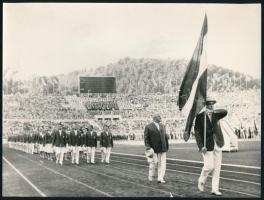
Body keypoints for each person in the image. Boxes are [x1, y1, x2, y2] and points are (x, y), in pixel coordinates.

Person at [194, 97, 227, 196]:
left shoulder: (216, 115)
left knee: (217, 169)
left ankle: (215, 189)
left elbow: (225, 111)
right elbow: (197, 133)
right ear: (206, 105)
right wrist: (200, 146)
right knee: (209, 166)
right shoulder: (200, 117)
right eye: (209, 104)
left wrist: (213, 112)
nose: (211, 106)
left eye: (213, 104)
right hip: (206, 145)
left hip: (218, 143)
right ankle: (201, 179)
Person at [144, 114, 169, 183]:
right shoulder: (148, 126)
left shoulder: (163, 126)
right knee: (153, 163)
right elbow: (146, 138)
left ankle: (160, 178)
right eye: (159, 117)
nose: (160, 118)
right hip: (153, 148)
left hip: (163, 148)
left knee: (162, 164)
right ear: (155, 118)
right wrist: (147, 147)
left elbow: (165, 137)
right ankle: (151, 177)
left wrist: (166, 146)